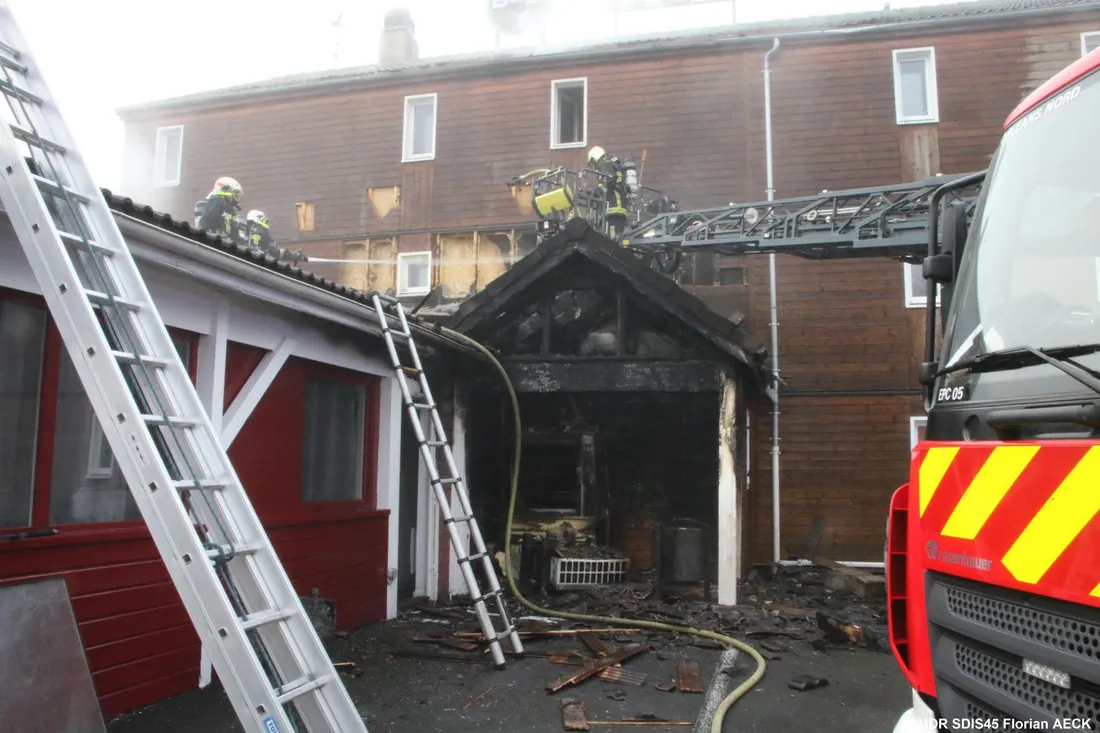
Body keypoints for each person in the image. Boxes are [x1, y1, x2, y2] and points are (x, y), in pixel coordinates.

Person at [587, 146, 631, 242]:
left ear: (596, 158)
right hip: (619, 208)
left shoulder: (606, 165)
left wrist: (597, 192)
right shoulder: (614, 163)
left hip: (613, 207)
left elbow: (609, 180)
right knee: (618, 239)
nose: (595, 168)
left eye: (593, 164)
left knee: (613, 241)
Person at [242, 209, 306, 266]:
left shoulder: (245, 233)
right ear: (257, 220)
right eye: (265, 222)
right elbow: (275, 251)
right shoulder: (260, 231)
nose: (267, 226)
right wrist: (292, 255)